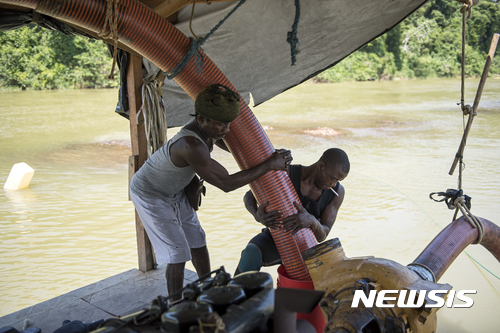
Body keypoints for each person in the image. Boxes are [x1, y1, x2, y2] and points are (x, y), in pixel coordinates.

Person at [129, 84, 293, 299]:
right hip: (151, 194)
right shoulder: (190, 144)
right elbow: (226, 183)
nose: (226, 130)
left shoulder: (209, 130)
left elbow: (235, 148)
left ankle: (207, 289)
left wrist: (269, 154)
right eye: (220, 125)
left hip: (176, 190)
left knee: (197, 239)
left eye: (228, 124)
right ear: (201, 119)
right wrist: (270, 164)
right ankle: (176, 307)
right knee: (178, 253)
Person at [234, 148, 349, 275]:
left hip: (306, 247)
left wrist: (312, 221)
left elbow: (323, 234)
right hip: (276, 237)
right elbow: (249, 196)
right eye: (332, 178)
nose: (333, 184)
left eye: (338, 181)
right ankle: (234, 293)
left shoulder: (337, 192)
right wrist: (257, 215)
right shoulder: (287, 173)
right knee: (251, 252)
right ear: (321, 166)